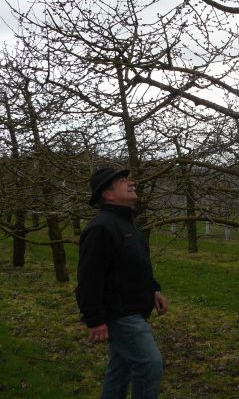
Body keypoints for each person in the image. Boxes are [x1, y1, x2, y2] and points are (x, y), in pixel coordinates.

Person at [76, 167, 168, 399]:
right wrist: (94, 319)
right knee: (149, 363)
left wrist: (154, 290)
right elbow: (89, 278)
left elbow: (134, 264)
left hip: (134, 308)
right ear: (107, 194)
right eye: (122, 181)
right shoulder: (101, 228)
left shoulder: (127, 224)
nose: (131, 182)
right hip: (121, 313)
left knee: (119, 370)